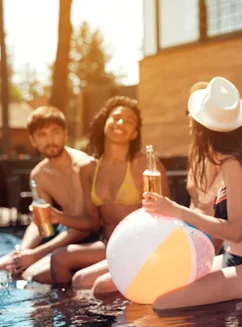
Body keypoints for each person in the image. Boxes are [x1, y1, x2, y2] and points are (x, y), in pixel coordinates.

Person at [146, 77, 242, 310]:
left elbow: (236, 231)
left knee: (162, 304)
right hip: (233, 258)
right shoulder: (228, 158)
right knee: (161, 288)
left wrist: (176, 211)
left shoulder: (234, 163)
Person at [50, 96, 170, 296]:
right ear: (105, 122)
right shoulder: (89, 169)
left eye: (129, 121)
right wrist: (58, 216)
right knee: (58, 259)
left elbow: (166, 216)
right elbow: (93, 222)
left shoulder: (145, 165)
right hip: (107, 243)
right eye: (115, 117)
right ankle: (68, 321)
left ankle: (98, 321)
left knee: (81, 280)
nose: (120, 123)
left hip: (139, 243)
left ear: (135, 134)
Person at [0, 106, 97, 283]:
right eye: (42, 135)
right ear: (33, 140)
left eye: (55, 132)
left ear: (65, 134)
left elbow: (83, 227)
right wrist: (22, 253)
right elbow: (40, 223)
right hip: (64, 231)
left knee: (31, 276)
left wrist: (36, 254)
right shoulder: (39, 174)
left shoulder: (83, 166)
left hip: (89, 233)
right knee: (6, 265)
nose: (50, 140)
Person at [184, 81, 224, 254]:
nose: (190, 117)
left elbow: (208, 201)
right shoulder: (196, 152)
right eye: (189, 111)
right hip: (190, 231)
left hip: (211, 238)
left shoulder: (223, 154)